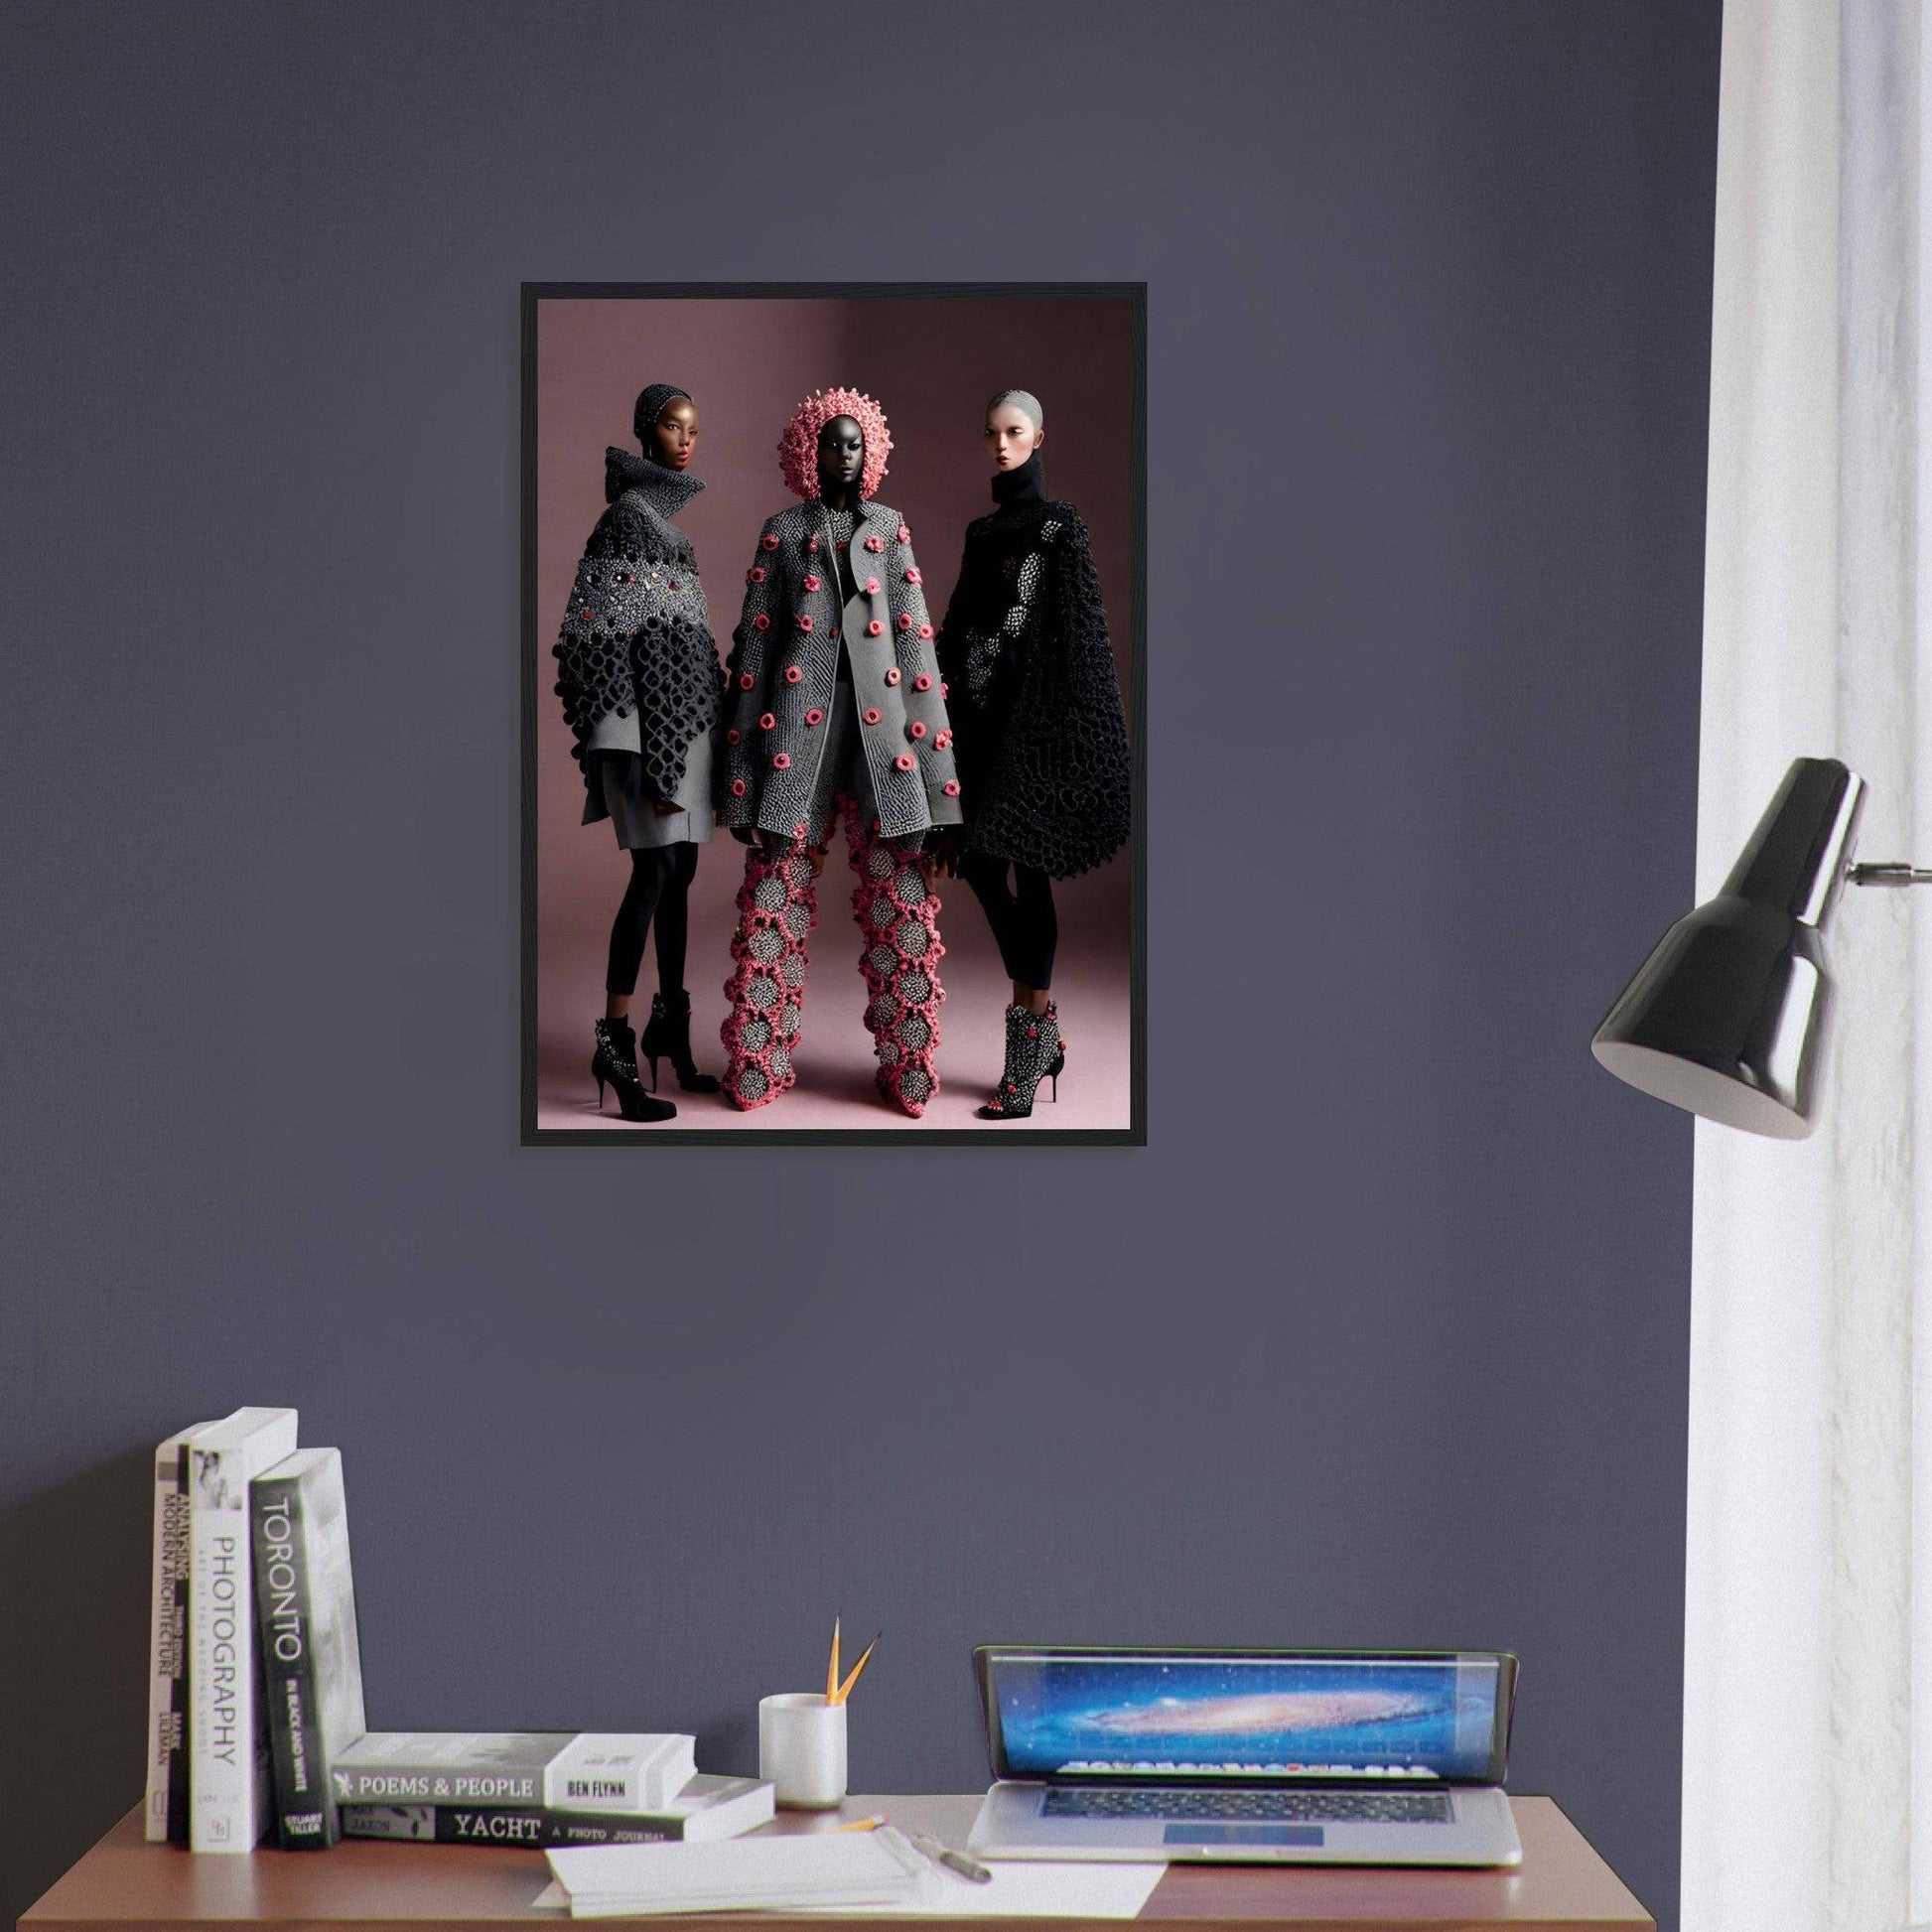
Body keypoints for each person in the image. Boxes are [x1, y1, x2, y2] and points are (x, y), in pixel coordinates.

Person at [715, 388, 962, 1117]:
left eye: (854, 443)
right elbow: (755, 656)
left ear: (871, 453)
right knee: (771, 906)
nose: (843, 453)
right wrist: (738, 784)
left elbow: (919, 659)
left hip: (887, 753)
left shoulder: (891, 530)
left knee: (904, 912)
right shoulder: (783, 532)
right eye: (831, 442)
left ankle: (907, 1070)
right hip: (796, 749)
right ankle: (757, 1063)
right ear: (808, 451)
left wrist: (943, 794)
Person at [934, 389, 1132, 1119]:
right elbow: (957, 629)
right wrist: (941, 710)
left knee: (1031, 874)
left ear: (1039, 435)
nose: (1000, 445)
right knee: (983, 867)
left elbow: (1081, 634)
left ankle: (1024, 1053)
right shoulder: (981, 532)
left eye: (1013, 432)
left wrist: (1074, 732)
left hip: (1040, 727)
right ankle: (1041, 1033)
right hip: (983, 725)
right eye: (991, 433)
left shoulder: (1060, 526)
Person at [551, 382, 724, 1124]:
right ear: (644, 432)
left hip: (680, 729)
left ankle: (669, 1026)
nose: (685, 440)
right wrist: (644, 755)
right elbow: (597, 642)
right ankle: (615, 1042)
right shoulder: (626, 520)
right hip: (643, 734)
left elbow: (684, 647)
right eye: (672, 427)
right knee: (653, 871)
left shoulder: (669, 529)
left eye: (693, 429)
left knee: (679, 871)